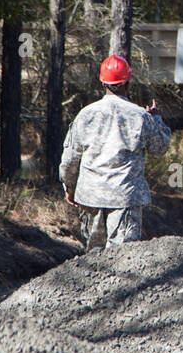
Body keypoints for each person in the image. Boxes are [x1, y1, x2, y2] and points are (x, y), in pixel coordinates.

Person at [59, 54, 171, 253]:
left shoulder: (85, 115)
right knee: (122, 257)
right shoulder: (141, 116)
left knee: (92, 256)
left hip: (89, 196)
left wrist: (69, 187)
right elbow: (160, 148)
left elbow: (70, 159)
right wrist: (157, 119)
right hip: (125, 198)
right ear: (128, 83)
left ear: (103, 83)